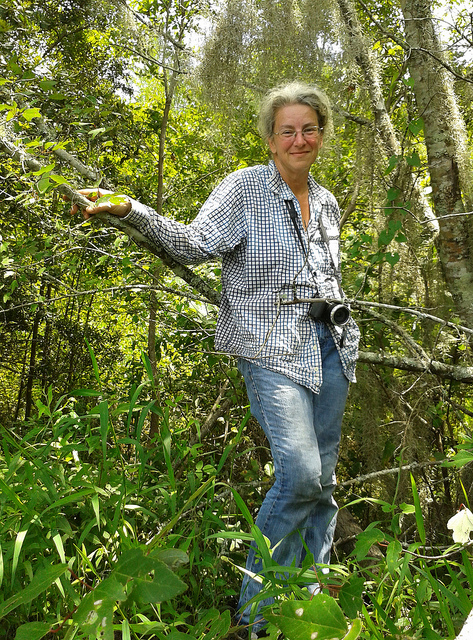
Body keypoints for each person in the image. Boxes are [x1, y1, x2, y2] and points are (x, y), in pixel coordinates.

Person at [72, 81, 360, 637]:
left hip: (332, 348)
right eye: (287, 131)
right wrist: (130, 209)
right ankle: (255, 617)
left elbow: (327, 273)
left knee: (322, 482)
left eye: (309, 128)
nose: (299, 139)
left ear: (321, 134)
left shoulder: (325, 202)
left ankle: (306, 602)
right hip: (269, 347)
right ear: (271, 140)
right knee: (298, 473)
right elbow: (191, 244)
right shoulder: (245, 189)